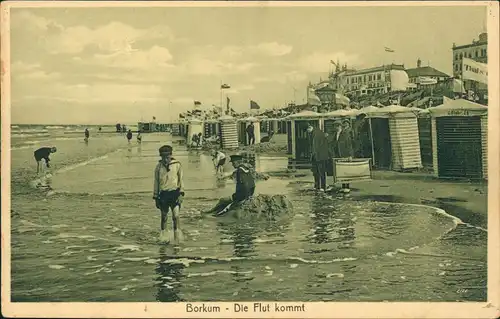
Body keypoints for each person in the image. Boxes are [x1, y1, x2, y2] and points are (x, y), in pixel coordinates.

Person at [153, 145, 185, 243]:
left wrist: (181, 194)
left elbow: (181, 180)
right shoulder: (158, 167)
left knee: (176, 216)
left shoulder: (177, 165)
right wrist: (155, 197)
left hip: (175, 193)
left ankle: (177, 237)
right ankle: (164, 237)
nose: (165, 160)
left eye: (167, 157)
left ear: (171, 155)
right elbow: (156, 182)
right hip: (163, 194)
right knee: (164, 217)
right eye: (163, 157)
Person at [332, 119, 354, 193]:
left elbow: (349, 145)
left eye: (337, 126)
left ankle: (347, 186)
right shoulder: (335, 134)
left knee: (346, 171)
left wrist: (350, 155)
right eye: (335, 126)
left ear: (340, 126)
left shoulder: (345, 133)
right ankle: (343, 186)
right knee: (341, 171)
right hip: (338, 155)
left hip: (345, 154)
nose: (336, 128)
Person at [307, 123, 330, 192]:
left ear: (311, 127)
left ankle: (322, 186)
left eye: (307, 129)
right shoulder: (315, 133)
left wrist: (313, 154)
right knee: (316, 172)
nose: (307, 131)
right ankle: (318, 186)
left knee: (320, 171)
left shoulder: (317, 133)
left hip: (320, 156)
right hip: (316, 156)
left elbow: (316, 146)